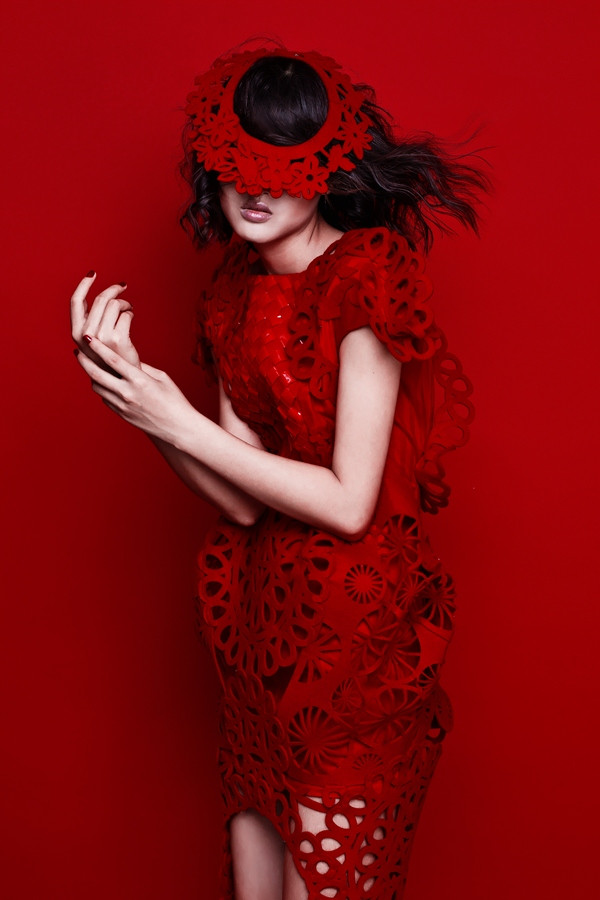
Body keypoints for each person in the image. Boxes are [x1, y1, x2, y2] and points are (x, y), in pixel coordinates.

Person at [71, 44, 488, 900]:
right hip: (263, 637)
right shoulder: (233, 290)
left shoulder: (368, 276)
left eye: (279, 166)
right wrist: (138, 401)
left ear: (324, 170)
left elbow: (348, 502)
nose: (253, 189)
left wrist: (178, 420)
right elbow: (242, 500)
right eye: (235, 166)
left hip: (357, 650)